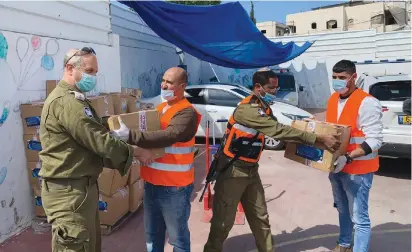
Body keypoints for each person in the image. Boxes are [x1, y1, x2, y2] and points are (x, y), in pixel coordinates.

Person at [203, 68, 341, 252]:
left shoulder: (264, 108)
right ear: (258, 87)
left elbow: (282, 128)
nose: (275, 91)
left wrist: (309, 125)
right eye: (271, 88)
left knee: (260, 218)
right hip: (232, 172)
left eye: (276, 88)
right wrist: (317, 138)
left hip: (251, 171)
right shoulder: (247, 110)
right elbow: (278, 130)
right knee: (223, 223)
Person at [39, 48, 152, 252]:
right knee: (76, 245)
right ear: (70, 68)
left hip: (80, 190)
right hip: (69, 193)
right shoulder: (66, 102)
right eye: (89, 71)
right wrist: (135, 151)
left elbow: (91, 134)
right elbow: (98, 140)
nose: (93, 77)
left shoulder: (76, 99)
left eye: (95, 72)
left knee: (89, 245)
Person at [112, 67, 202, 252]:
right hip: (152, 183)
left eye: (169, 82)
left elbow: (169, 135)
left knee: (178, 240)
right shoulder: (160, 109)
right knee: (153, 236)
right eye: (163, 80)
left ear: (182, 86)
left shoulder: (187, 113)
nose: (163, 84)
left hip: (175, 188)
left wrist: (131, 135)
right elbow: (149, 136)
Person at [326, 60, 383, 252]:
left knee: (360, 218)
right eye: (334, 77)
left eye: (342, 78)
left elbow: (375, 140)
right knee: (342, 210)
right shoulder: (333, 99)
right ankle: (344, 245)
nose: (337, 81)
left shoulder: (367, 102)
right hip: (336, 168)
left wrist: (348, 157)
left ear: (353, 77)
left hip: (358, 171)